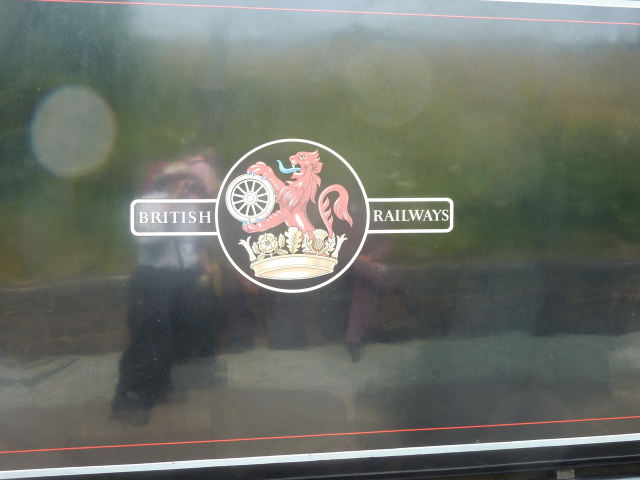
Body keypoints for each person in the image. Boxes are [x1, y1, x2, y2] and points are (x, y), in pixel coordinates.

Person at [111, 163, 215, 426]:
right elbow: (147, 237)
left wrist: (202, 263)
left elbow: (193, 241)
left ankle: (161, 385)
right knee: (147, 339)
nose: (186, 184)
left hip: (180, 280)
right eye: (181, 180)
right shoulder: (148, 204)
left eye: (187, 180)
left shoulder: (189, 206)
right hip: (152, 278)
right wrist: (172, 200)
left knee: (172, 338)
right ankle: (127, 398)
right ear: (167, 181)